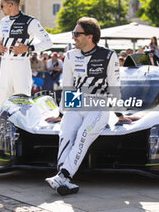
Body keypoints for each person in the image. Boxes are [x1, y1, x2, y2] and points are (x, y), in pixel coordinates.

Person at [45, 17, 134, 196]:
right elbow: (68, 86)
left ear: (90, 36)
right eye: (73, 34)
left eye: (77, 34)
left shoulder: (109, 55)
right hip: (76, 102)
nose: (73, 37)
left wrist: (119, 114)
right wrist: (61, 113)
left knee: (82, 137)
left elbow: (114, 86)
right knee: (65, 136)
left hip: (99, 105)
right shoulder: (70, 55)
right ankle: (65, 180)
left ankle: (62, 175)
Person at [0, 0, 52, 107]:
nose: (1, 8)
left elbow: (48, 42)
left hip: (20, 65)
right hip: (5, 64)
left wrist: (28, 48)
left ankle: (22, 125)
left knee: (22, 102)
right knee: (3, 103)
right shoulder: (3, 21)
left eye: (2, 5)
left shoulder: (30, 21)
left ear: (10, 5)